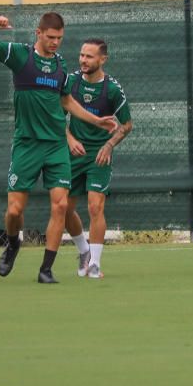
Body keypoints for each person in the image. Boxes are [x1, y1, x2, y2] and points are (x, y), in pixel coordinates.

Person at [0, 13, 118, 284]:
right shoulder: (20, 56)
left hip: (56, 146)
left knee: (61, 205)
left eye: (60, 38)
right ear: (39, 33)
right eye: (51, 37)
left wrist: (96, 120)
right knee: (15, 211)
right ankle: (13, 244)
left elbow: (67, 102)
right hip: (27, 144)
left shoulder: (61, 65)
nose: (55, 43)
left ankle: (46, 269)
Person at [64, 39, 133, 279]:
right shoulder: (70, 82)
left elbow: (126, 125)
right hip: (72, 154)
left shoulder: (112, 89)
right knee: (63, 208)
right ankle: (83, 251)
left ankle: (94, 264)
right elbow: (54, 116)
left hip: (98, 157)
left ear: (102, 59)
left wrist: (109, 144)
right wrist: (70, 139)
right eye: (82, 55)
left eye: (89, 56)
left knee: (95, 206)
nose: (83, 60)